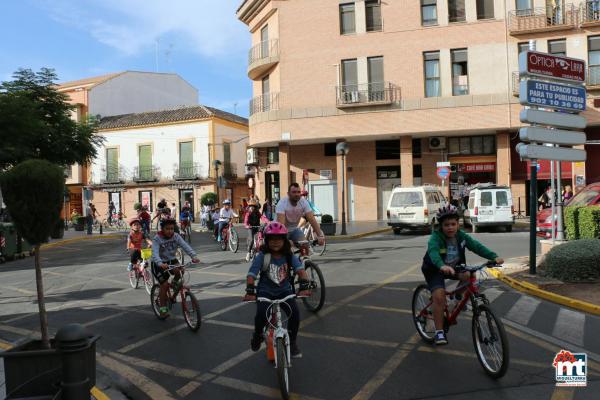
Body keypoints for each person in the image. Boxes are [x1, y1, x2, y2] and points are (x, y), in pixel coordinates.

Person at [421, 204, 504, 345]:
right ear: (441, 226)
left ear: (458, 224)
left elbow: (476, 246)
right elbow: (434, 253)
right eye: (446, 225)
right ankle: (439, 332)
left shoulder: (461, 236)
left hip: (455, 267)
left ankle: (455, 298)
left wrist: (493, 256)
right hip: (435, 268)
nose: (450, 227)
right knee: (439, 296)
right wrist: (442, 265)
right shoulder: (435, 238)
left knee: (469, 276)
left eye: (453, 224)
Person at [243, 222, 311, 358]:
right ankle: (257, 336)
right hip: (265, 291)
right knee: (261, 314)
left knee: (295, 314)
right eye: (271, 239)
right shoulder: (262, 256)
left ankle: (292, 342)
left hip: (285, 291)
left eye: (279, 239)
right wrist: (250, 290)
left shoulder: (289, 256)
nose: (275, 242)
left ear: (284, 241)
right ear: (266, 241)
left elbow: (301, 271)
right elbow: (251, 274)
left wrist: (304, 286)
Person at [151, 218, 199, 318]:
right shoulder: (157, 238)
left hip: (171, 260)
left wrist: (193, 256)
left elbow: (185, 245)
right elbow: (154, 253)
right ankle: (162, 308)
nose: (170, 231)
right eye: (167, 229)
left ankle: (173, 285)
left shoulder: (176, 236)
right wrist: (160, 263)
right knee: (164, 285)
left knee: (181, 271)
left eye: (172, 228)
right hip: (158, 263)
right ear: (162, 229)